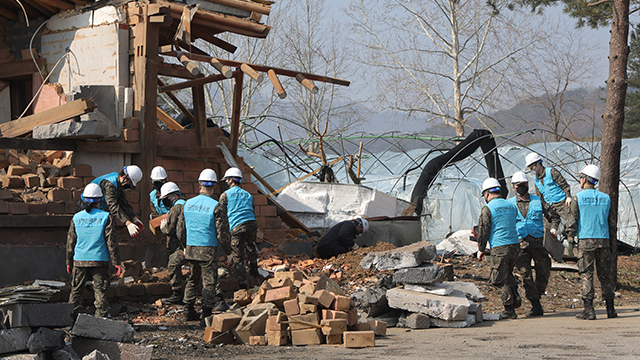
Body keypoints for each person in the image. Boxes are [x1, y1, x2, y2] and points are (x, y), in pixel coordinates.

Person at [177, 169, 230, 326]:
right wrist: (228, 252)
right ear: (214, 186)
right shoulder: (217, 206)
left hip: (191, 248)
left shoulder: (187, 204)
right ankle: (206, 316)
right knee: (209, 282)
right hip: (208, 250)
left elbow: (180, 231)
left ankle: (188, 311)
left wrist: (184, 246)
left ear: (199, 185)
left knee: (192, 280)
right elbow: (223, 234)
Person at [567, 164, 617, 320]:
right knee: (606, 276)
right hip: (603, 241)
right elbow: (612, 223)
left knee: (587, 275)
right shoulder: (606, 198)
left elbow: (572, 221)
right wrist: (612, 243)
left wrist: (570, 240)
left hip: (585, 242)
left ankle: (589, 310)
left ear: (585, 179)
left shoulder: (578, 198)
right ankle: (610, 309)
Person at [509, 171, 560, 317]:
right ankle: (535, 305)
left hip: (538, 244)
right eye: (519, 185)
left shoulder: (538, 201)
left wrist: (554, 228)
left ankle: (537, 294)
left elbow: (554, 216)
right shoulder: (510, 205)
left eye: (524, 185)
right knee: (525, 275)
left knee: (544, 272)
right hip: (520, 245)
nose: (522, 187)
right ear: (514, 187)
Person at [67, 183, 122, 317]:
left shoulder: (76, 217)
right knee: (100, 294)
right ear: (99, 201)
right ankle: (100, 323)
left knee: (75, 292)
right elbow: (112, 243)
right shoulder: (106, 217)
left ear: (84, 199)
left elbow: (70, 242)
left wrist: (68, 261)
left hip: (79, 260)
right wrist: (116, 262)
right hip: (99, 261)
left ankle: (68, 322)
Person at [476, 178, 521, 319]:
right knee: (507, 273)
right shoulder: (511, 205)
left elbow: (484, 230)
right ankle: (515, 294)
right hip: (514, 245)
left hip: (499, 247)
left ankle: (509, 309)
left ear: (487, 194)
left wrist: (481, 248)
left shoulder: (488, 209)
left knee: (498, 279)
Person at [525, 152, 575, 257]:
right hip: (550, 207)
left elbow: (564, 185)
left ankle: (572, 247)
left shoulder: (552, 172)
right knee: (548, 229)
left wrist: (568, 197)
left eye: (533, 166)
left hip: (561, 203)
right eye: (530, 168)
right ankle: (556, 251)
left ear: (539, 163)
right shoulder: (536, 181)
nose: (532, 169)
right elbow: (540, 198)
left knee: (572, 222)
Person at [218, 167, 259, 290]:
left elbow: (221, 216)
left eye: (226, 180)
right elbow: (252, 210)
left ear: (230, 180)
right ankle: (254, 270)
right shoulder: (248, 194)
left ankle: (242, 286)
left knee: (238, 256)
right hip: (252, 224)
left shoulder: (225, 195)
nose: (226, 182)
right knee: (250, 245)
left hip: (237, 227)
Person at [78, 165, 144, 239]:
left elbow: (123, 203)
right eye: (129, 183)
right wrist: (127, 223)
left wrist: (134, 218)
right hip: (86, 205)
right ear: (124, 177)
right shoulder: (110, 184)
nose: (128, 186)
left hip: (97, 207)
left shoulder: (118, 183)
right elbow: (113, 206)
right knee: (88, 235)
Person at [157, 182, 187, 305]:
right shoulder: (186, 204)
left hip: (186, 245)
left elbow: (170, 229)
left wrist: (163, 227)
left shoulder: (176, 208)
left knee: (173, 264)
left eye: (166, 199)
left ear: (172, 196)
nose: (165, 202)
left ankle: (177, 293)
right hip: (191, 242)